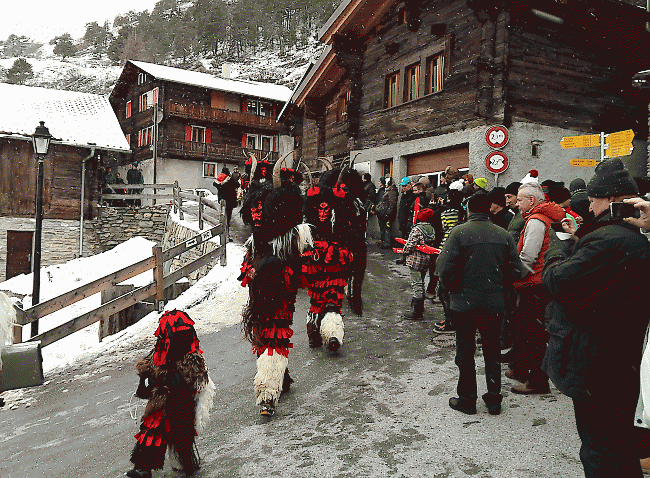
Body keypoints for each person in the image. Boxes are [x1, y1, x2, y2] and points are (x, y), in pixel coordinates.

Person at [542, 159, 650, 477]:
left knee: (600, 450)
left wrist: (558, 248)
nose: (589, 202)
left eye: (594, 196)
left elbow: (556, 281)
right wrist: (580, 244)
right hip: (619, 358)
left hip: (598, 364)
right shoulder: (624, 239)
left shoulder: (608, 240)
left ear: (613, 200)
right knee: (617, 446)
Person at [436, 194, 523, 415]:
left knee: (465, 352)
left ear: (468, 210)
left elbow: (444, 268)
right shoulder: (503, 234)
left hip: (464, 304)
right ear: (490, 210)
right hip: (494, 303)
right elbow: (516, 269)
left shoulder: (459, 233)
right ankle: (494, 400)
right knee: (492, 352)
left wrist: (452, 288)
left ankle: (467, 399)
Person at [239, 157, 312, 416]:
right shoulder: (255, 239)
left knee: (273, 336)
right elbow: (249, 266)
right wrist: (250, 272)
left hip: (279, 297)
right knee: (262, 337)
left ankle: (267, 394)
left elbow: (297, 271)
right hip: (258, 297)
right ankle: (283, 376)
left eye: (261, 208)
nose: (257, 213)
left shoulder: (288, 237)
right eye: (253, 209)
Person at [126, 309, 215, 478]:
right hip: (161, 399)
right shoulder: (160, 356)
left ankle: (185, 463)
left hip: (181, 402)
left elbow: (198, 382)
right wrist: (149, 380)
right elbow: (148, 372)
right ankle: (144, 467)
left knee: (180, 439)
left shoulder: (191, 359)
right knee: (152, 430)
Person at [509, 182, 565, 394]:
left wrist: (516, 277)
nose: (517, 203)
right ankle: (523, 369)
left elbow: (528, 256)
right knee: (528, 331)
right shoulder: (549, 217)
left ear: (532, 200)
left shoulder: (536, 220)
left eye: (520, 199)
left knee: (532, 334)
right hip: (542, 282)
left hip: (533, 284)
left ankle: (537, 380)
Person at [432, 180, 466, 334]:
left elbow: (442, 229)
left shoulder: (444, 211)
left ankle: (450, 321)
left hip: (446, 247)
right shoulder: (464, 209)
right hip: (462, 248)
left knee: (444, 289)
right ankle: (452, 319)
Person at [401, 207, 437, 320]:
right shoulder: (431, 229)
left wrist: (404, 251)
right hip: (426, 259)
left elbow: (410, 245)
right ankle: (420, 307)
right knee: (421, 282)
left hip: (415, 259)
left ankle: (417, 311)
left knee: (416, 284)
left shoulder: (417, 229)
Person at [213, 167, 239, 241]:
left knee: (222, 217)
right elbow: (236, 185)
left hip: (222, 201)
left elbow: (215, 184)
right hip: (229, 201)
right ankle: (226, 236)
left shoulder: (219, 178)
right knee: (227, 219)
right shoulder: (229, 179)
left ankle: (222, 234)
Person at [396, 177, 416, 263]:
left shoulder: (412, 196)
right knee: (404, 240)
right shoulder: (404, 195)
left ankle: (406, 258)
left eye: (405, 186)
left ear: (409, 185)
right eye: (402, 186)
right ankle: (404, 258)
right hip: (403, 221)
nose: (403, 187)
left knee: (409, 241)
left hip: (408, 221)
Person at [375, 177, 398, 249]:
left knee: (387, 229)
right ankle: (384, 242)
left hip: (387, 214)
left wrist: (388, 214)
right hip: (384, 213)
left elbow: (392, 205)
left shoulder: (392, 191)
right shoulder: (388, 190)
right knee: (384, 228)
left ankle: (387, 243)